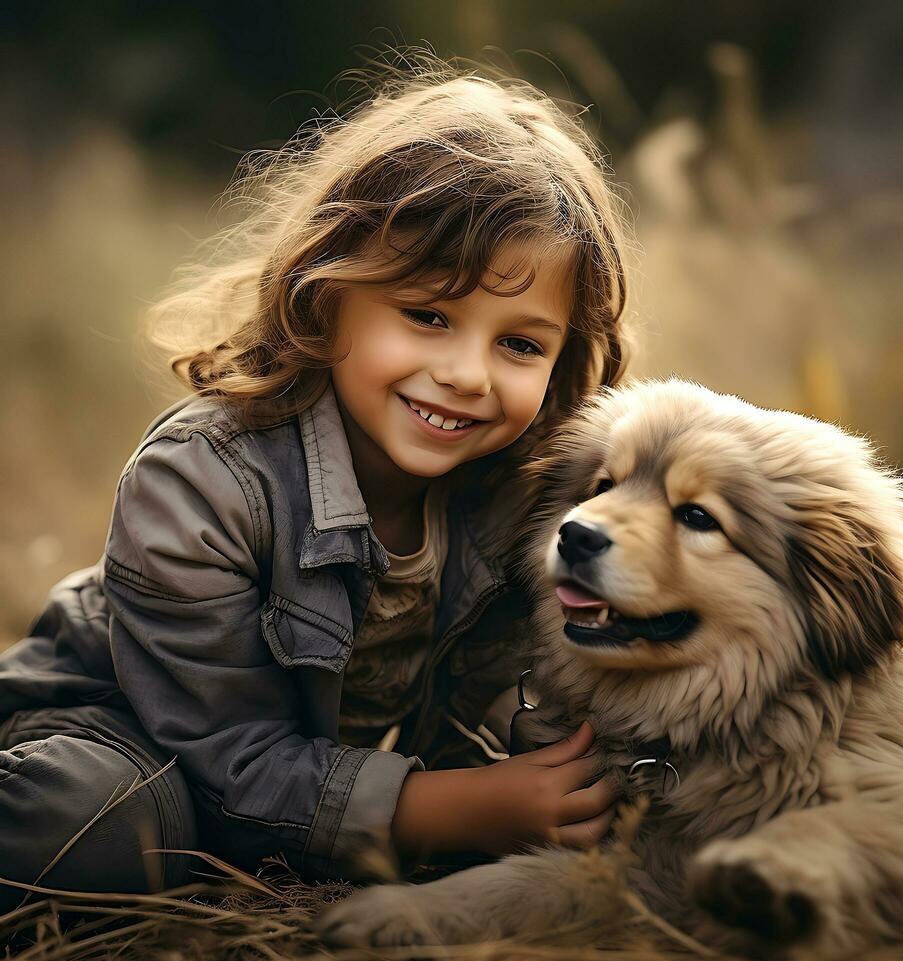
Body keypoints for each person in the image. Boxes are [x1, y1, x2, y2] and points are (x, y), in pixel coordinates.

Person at [0, 64, 633, 911]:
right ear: (327, 292)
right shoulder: (202, 482)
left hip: (295, 788)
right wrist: (437, 809)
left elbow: (502, 695)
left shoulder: (516, 495)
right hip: (111, 734)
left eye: (520, 345)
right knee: (109, 824)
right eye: (429, 315)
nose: (467, 375)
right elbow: (228, 762)